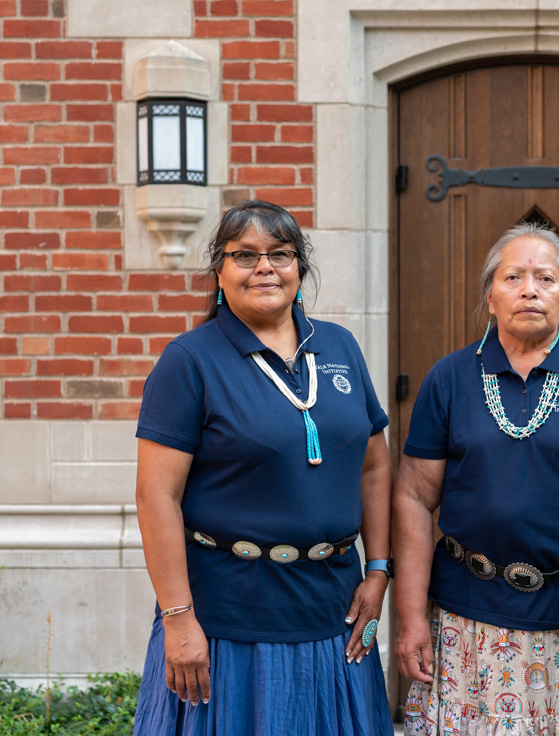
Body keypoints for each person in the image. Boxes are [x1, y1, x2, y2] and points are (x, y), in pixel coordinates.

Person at [132, 200, 394, 736]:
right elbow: (157, 496)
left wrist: (379, 568)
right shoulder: (190, 360)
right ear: (219, 272)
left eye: (281, 254)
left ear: (300, 268)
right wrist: (177, 617)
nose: (265, 268)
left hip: (332, 611)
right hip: (229, 619)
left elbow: (373, 466)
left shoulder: (340, 346)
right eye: (245, 255)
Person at [392, 222, 559, 736]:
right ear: (490, 297)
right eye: (513, 277)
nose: (530, 289)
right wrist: (411, 614)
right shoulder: (450, 377)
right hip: (467, 621)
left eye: (546, 278)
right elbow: (414, 495)